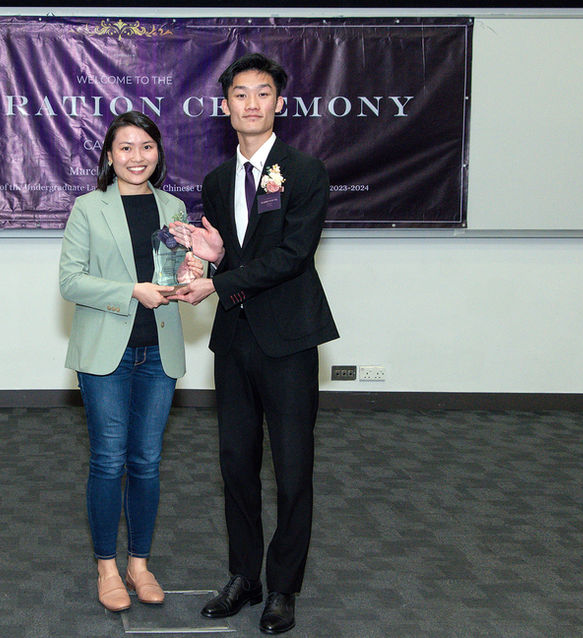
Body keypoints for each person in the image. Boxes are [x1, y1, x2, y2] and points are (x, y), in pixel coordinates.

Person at [169, 53, 339, 634]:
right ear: (225, 106)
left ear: (279, 103)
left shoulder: (306, 171)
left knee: (292, 471)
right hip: (235, 340)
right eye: (240, 94)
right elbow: (234, 258)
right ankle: (245, 576)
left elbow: (293, 256)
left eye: (263, 93)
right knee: (236, 465)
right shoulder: (217, 182)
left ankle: (283, 587)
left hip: (289, 339)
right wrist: (211, 260)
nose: (251, 103)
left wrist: (218, 282)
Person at [59, 111, 202, 613]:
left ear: (157, 153)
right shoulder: (88, 208)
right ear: (109, 155)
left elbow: (176, 269)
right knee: (108, 460)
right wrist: (131, 291)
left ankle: (139, 564)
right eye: (125, 147)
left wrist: (193, 272)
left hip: (159, 352)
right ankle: (106, 566)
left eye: (146, 147)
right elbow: (70, 281)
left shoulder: (173, 206)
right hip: (106, 355)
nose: (136, 157)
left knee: (146, 462)